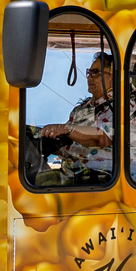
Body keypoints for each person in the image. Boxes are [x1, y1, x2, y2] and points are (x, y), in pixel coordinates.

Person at [40, 52, 115, 185]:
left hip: (104, 181)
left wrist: (66, 129)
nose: (89, 77)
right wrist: (46, 143)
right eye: (89, 72)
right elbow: (68, 143)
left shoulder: (123, 108)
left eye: (96, 72)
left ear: (113, 77)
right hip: (74, 175)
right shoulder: (80, 110)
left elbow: (102, 137)